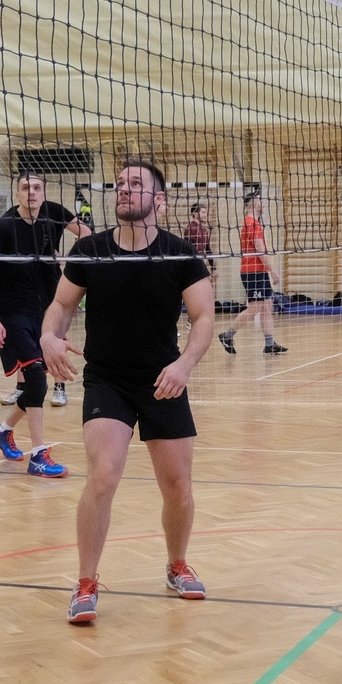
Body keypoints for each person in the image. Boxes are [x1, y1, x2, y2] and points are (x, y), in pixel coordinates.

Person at [43, 160, 217, 624]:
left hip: (164, 379)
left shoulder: (181, 254)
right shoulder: (90, 249)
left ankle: (177, 565)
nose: (123, 189)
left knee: (177, 486)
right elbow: (60, 305)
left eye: (135, 184)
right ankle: (85, 583)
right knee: (103, 476)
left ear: (159, 200)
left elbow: (204, 317)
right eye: (120, 183)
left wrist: (183, 365)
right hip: (108, 379)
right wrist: (48, 336)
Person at [0, 171, 90, 476]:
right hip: (11, 313)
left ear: (44, 193)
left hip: (44, 314)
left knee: (36, 383)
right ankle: (39, 454)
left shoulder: (52, 217)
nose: (32, 192)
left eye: (37, 187)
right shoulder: (4, 226)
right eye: (26, 187)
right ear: (17, 193)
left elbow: (86, 235)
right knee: (37, 380)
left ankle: (4, 431)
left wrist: (67, 264)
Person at [217, 192, 286, 355]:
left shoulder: (254, 223)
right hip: (252, 272)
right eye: (261, 201)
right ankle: (227, 335)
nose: (263, 203)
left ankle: (269, 344)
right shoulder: (251, 223)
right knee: (255, 308)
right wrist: (273, 271)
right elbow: (260, 251)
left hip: (259, 271)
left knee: (267, 305)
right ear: (254, 204)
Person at [184, 201, 217, 292]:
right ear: (195, 214)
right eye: (203, 212)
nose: (205, 215)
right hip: (192, 264)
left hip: (200, 262)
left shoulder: (204, 229)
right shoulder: (191, 228)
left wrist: (213, 268)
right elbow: (188, 249)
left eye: (205, 212)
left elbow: (208, 249)